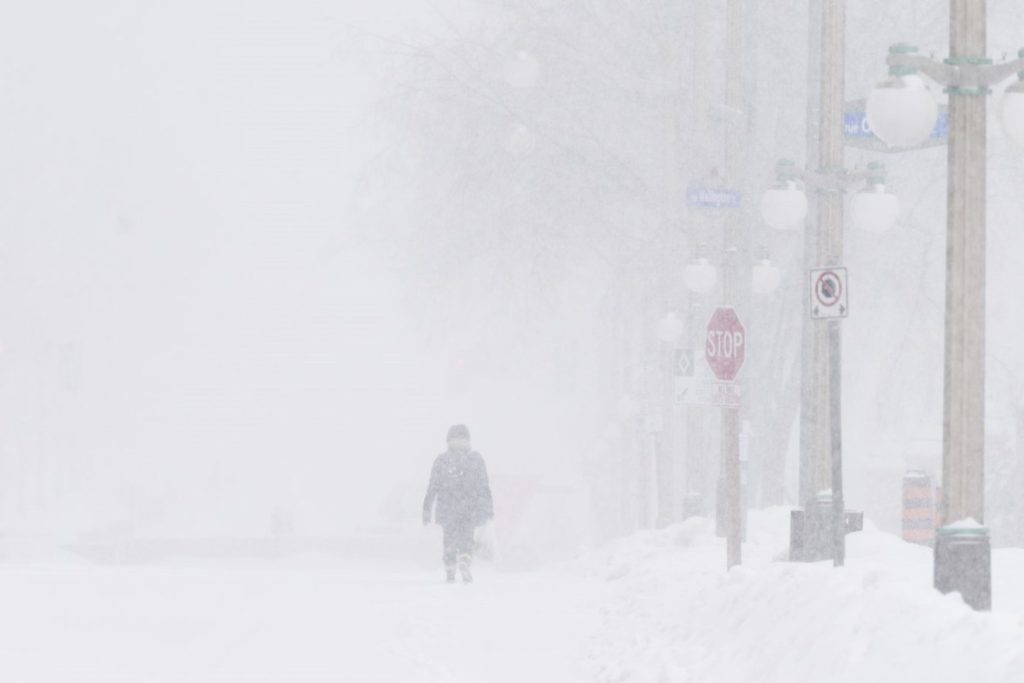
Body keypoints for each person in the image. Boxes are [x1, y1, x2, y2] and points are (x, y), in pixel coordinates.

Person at [422, 424, 494, 583]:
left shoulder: (442, 460)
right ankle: (465, 560)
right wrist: (488, 509)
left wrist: (427, 509)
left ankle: (450, 566)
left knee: (449, 538)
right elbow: (484, 485)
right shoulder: (476, 459)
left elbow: (432, 486)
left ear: (448, 441)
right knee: (467, 537)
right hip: (469, 507)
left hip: (447, 508)